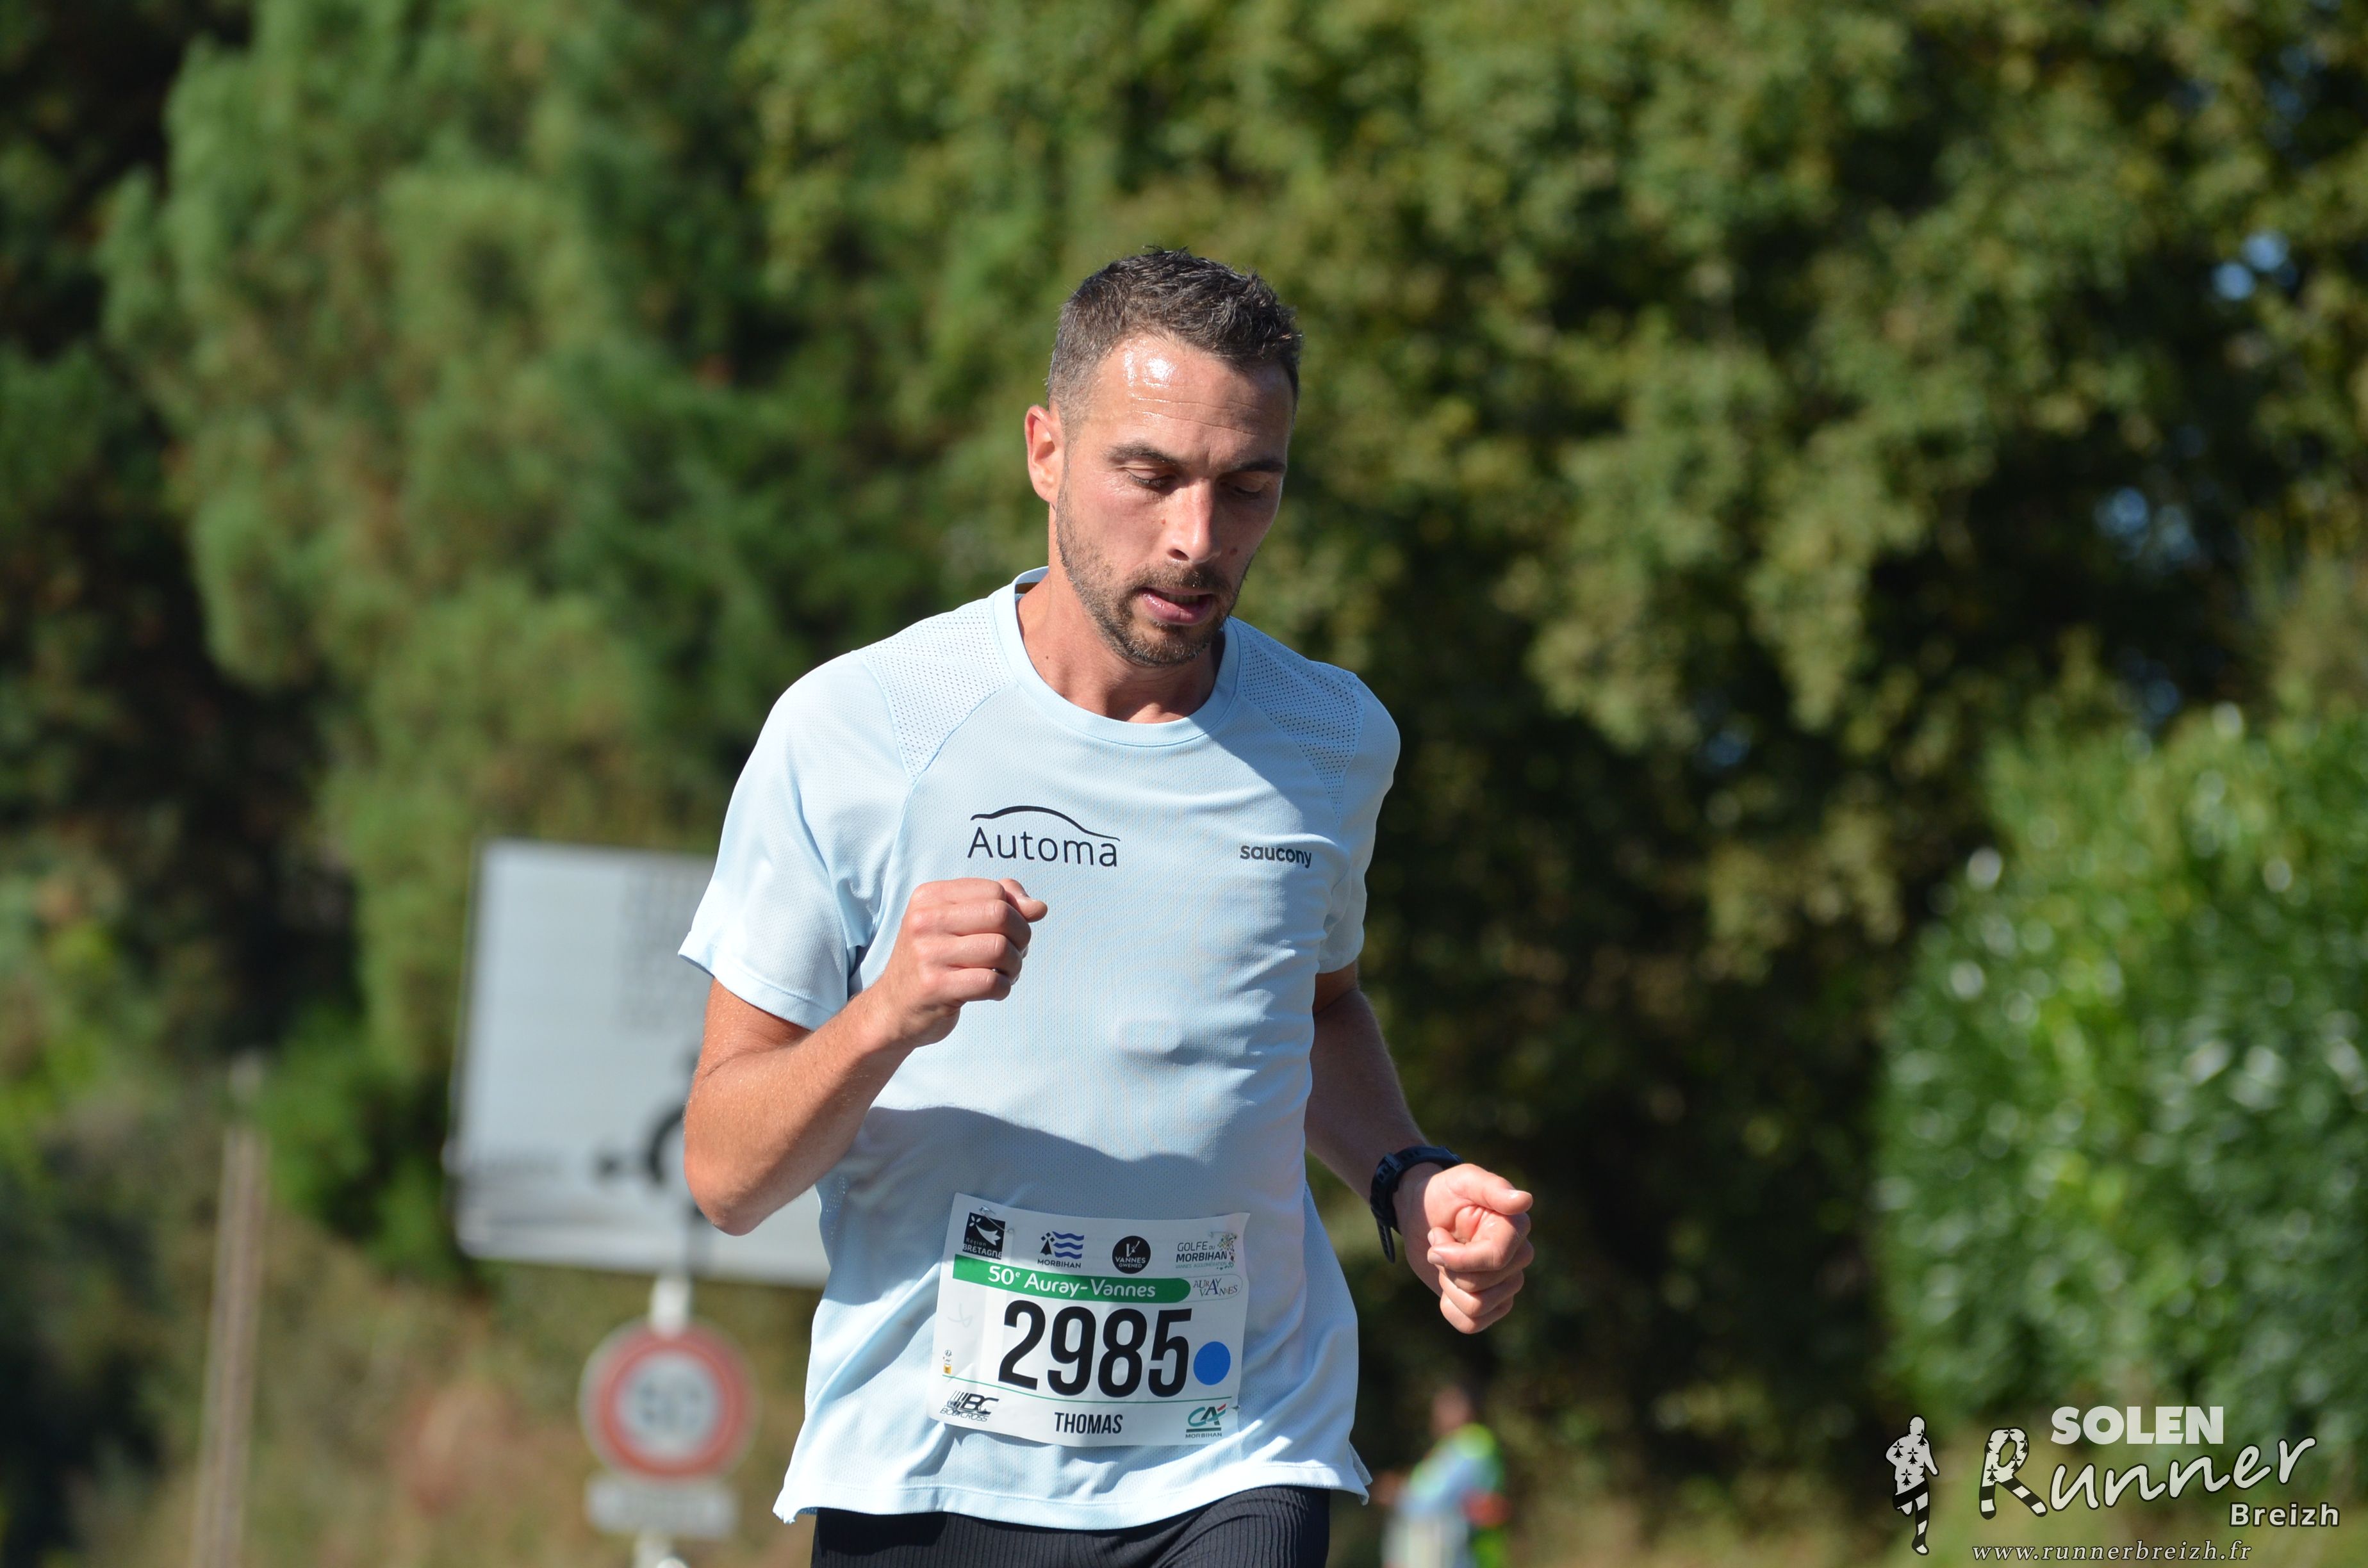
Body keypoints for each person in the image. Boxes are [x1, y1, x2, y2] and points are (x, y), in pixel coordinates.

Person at [677, 249, 1536, 1568]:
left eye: (1248, 487)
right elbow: (726, 1177)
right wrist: (886, 1013)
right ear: (1046, 451)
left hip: (1237, 1447)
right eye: (1150, 475)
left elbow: (1314, 1013)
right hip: (928, 1467)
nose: (1197, 538)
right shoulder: (860, 728)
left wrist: (1403, 1175)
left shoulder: (1331, 740)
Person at [1379, 1380, 1509, 1568]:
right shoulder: (1453, 1446)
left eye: (1447, 1406)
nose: (1437, 1413)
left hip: (1466, 1557)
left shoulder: (1471, 1445)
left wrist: (1397, 1494)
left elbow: (1429, 1502)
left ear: (1466, 1410)